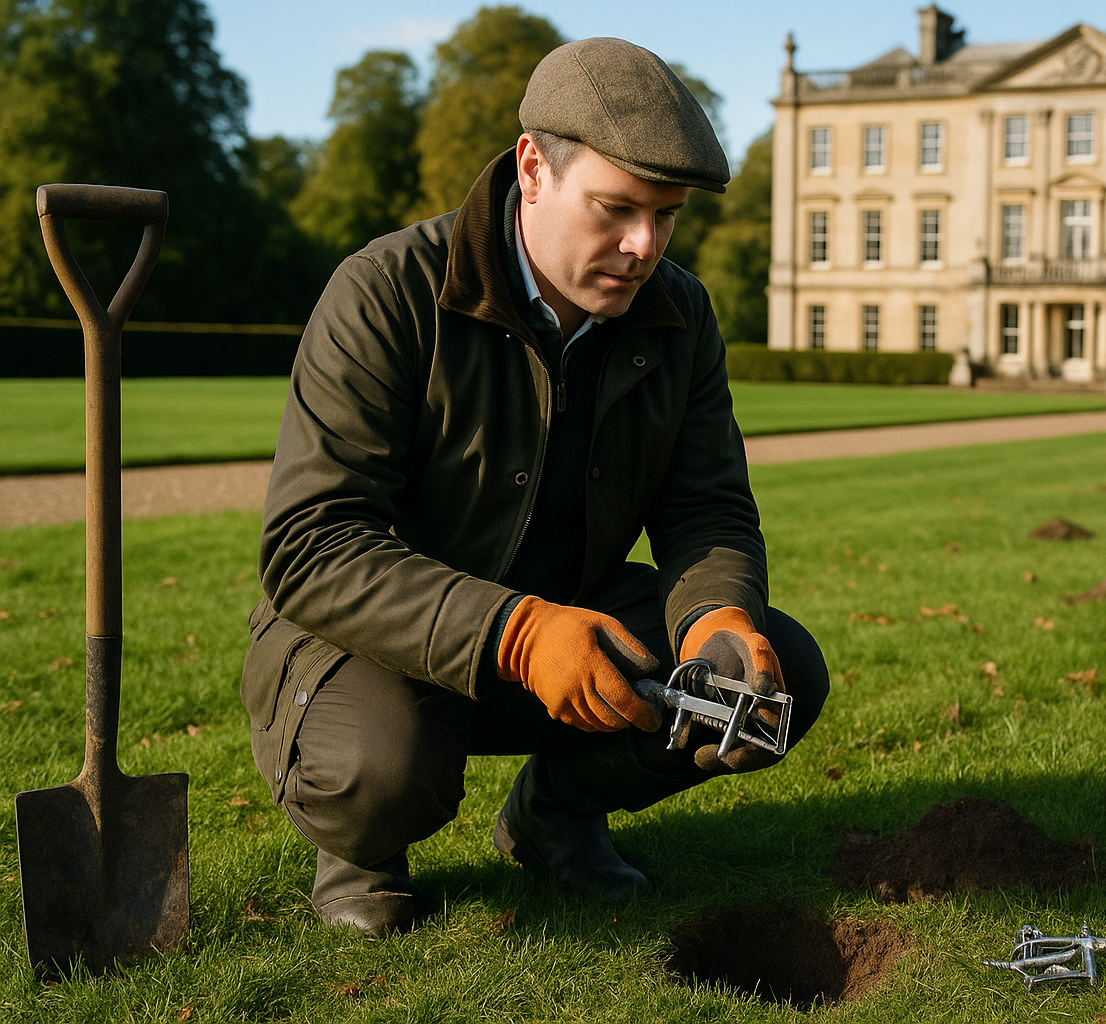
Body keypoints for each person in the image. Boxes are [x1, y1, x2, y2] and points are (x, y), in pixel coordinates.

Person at [240, 37, 828, 937]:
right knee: (384, 764)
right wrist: (513, 633)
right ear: (532, 169)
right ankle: (361, 852)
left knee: (778, 676)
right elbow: (311, 544)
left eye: (665, 216)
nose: (643, 246)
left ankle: (554, 813)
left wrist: (717, 620)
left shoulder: (682, 313)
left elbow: (705, 507)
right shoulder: (385, 291)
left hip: (576, 622)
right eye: (617, 209)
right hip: (374, 647)